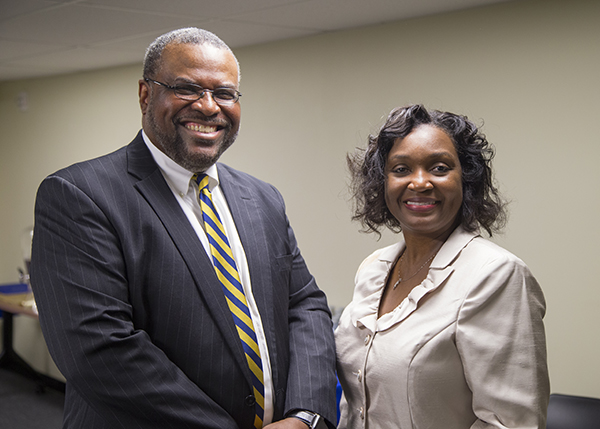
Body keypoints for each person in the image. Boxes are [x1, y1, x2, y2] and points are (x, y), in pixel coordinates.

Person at [30, 27, 337, 429]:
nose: (209, 107)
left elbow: (304, 304)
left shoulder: (262, 198)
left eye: (225, 93)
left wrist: (306, 415)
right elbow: (100, 350)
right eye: (187, 88)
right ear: (145, 94)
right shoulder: (79, 195)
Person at [335, 104, 549, 428]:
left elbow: (511, 423)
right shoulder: (373, 268)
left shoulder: (495, 275)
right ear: (383, 182)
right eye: (401, 169)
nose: (419, 183)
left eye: (438, 167)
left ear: (467, 178)